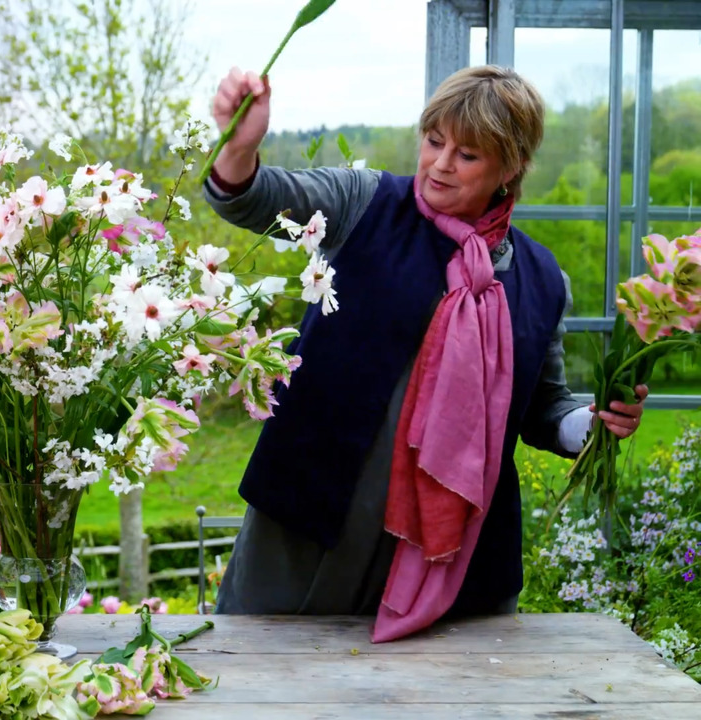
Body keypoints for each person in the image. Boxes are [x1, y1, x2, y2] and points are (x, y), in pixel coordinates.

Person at [204, 65, 649, 641]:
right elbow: (258, 199)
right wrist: (239, 151)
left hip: (455, 562)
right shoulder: (366, 204)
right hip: (309, 530)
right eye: (434, 141)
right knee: (260, 671)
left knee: (438, 687)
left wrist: (592, 425)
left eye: (467, 154)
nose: (440, 163)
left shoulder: (543, 279)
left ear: (510, 168)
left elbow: (545, 407)